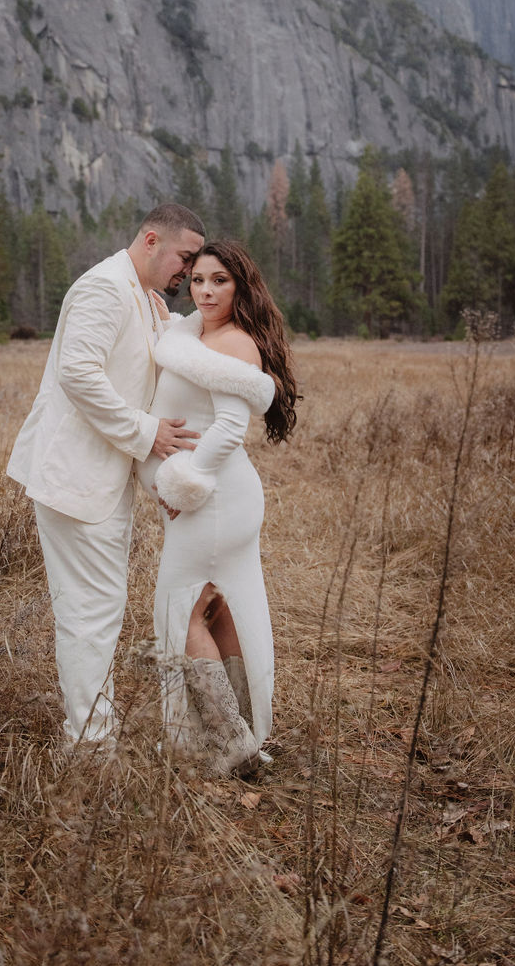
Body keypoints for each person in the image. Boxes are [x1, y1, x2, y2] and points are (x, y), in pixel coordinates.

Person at [7, 202, 206, 746]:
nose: (187, 273)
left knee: (100, 609)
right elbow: (78, 373)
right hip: (75, 479)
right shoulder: (104, 287)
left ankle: (93, 731)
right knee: (90, 614)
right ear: (149, 241)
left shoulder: (145, 298)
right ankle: (89, 745)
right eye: (185, 258)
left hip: (105, 479)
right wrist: (149, 434)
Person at [138, 239, 297, 778]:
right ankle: (246, 733)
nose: (205, 290)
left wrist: (184, 482)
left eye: (219, 281)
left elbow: (231, 426)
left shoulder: (234, 344)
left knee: (178, 611)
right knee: (217, 606)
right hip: (213, 497)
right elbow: (178, 350)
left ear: (241, 286)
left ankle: (229, 743)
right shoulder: (193, 334)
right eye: (199, 279)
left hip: (213, 497)